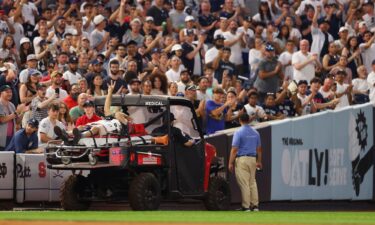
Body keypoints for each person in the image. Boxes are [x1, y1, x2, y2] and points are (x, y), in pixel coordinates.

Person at [228, 113, 262, 212]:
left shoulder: (238, 132)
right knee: (252, 182)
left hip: (242, 159)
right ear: (249, 120)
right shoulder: (256, 132)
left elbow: (234, 149)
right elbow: (259, 149)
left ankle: (246, 206)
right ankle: (255, 206)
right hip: (253, 159)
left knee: (244, 183)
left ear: (240, 120)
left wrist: (230, 162)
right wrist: (259, 161)